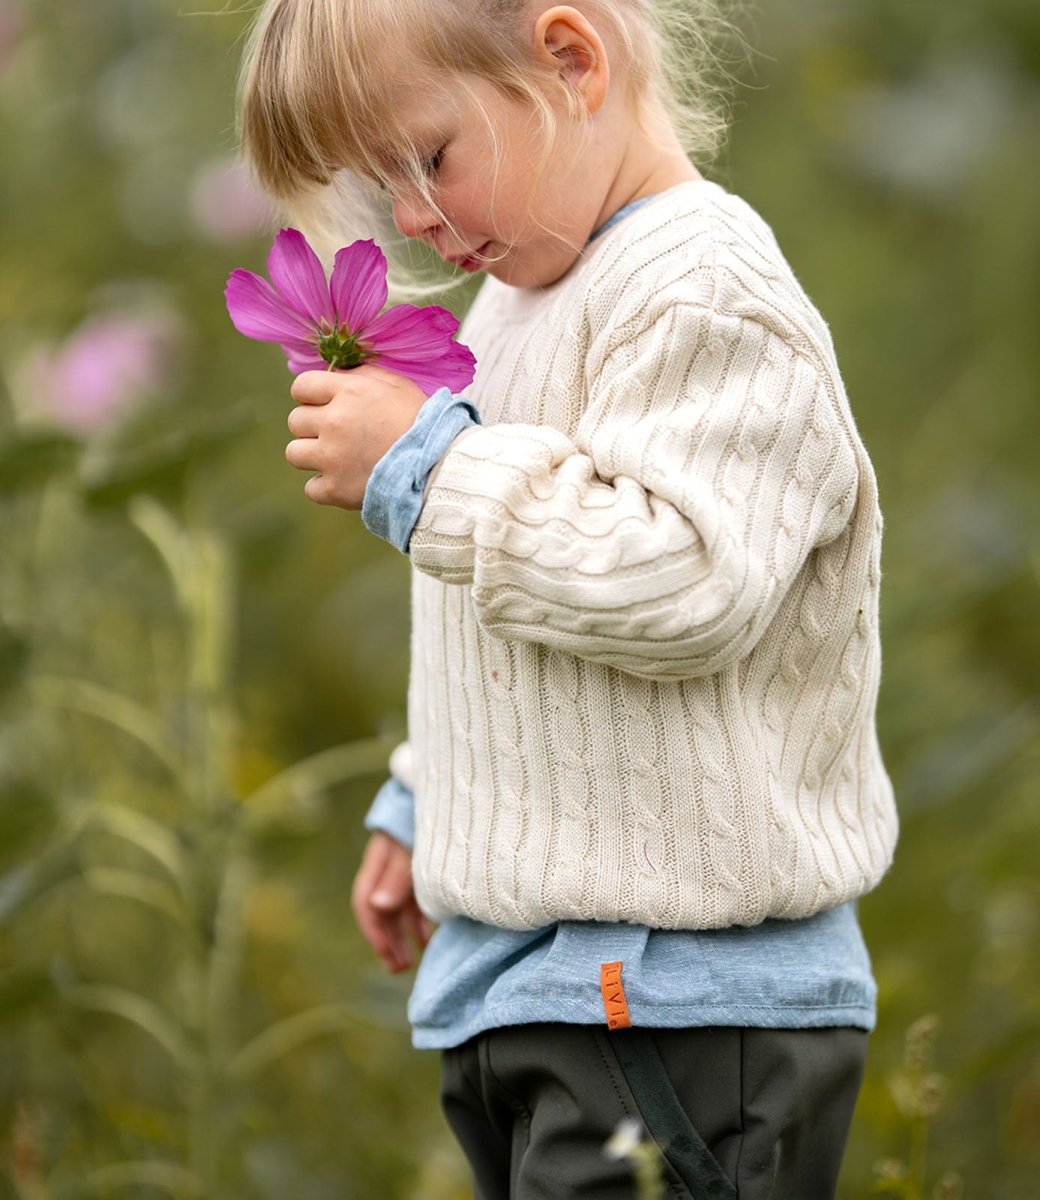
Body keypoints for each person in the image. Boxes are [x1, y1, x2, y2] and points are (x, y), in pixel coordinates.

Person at [238, 1, 899, 1196]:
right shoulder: (522, 301)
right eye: (378, 184)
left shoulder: (700, 292)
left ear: (568, 59)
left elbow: (682, 579)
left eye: (426, 160)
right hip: (552, 988)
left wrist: (431, 468)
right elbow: (527, 619)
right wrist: (423, 797)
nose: (409, 219)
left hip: (681, 1003)